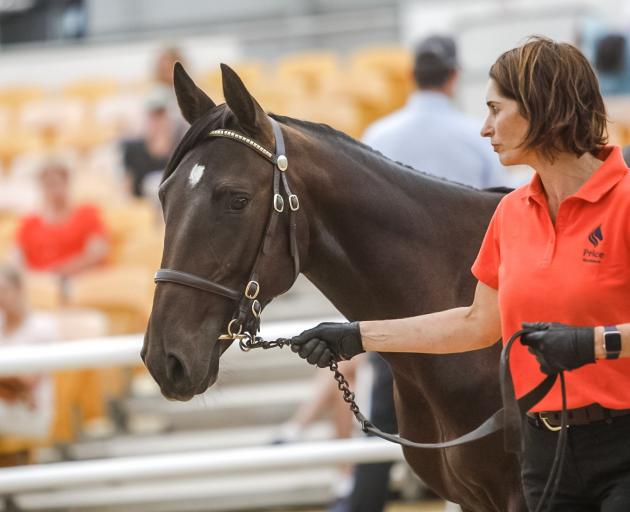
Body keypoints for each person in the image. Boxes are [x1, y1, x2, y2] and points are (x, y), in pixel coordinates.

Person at [291, 36, 630, 512]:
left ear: (543, 106)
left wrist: (589, 345)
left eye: (495, 108)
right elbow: (476, 323)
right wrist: (358, 335)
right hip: (544, 452)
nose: (484, 128)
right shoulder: (511, 213)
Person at [362, 34, 507, 189]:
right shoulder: (481, 137)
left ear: (410, 75)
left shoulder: (375, 136)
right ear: (454, 75)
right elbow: (498, 200)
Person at [0, 265, 56, 467]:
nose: (1, 297)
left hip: (29, 411)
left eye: (4, 290)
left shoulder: (42, 326)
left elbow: (28, 382)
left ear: (19, 289)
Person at [15, 162, 109, 282]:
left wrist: (60, 272)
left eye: (55, 183)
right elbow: (17, 260)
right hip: (40, 282)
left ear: (66, 183)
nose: (52, 190)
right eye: (47, 185)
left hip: (79, 279)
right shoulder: (29, 223)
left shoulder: (87, 214)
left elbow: (97, 253)